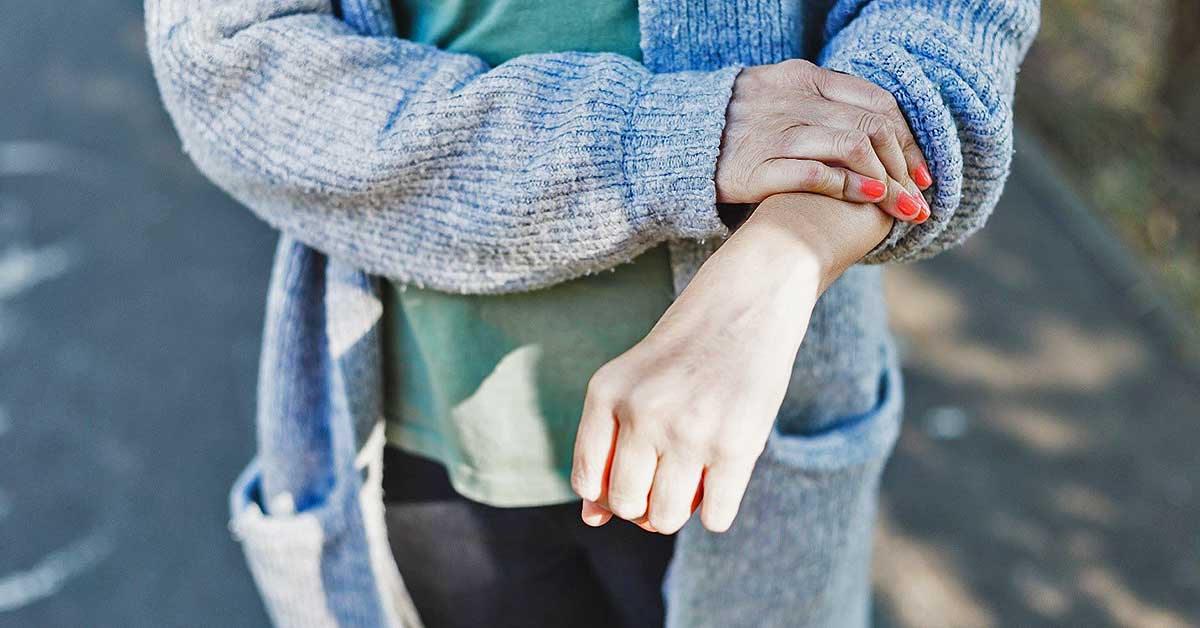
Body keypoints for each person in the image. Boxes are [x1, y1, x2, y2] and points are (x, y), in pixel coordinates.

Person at [146, 0, 1038, 626]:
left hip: (763, 435)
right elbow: (230, 59)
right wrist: (681, 139)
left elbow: (948, 27)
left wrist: (779, 260)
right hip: (429, 427)